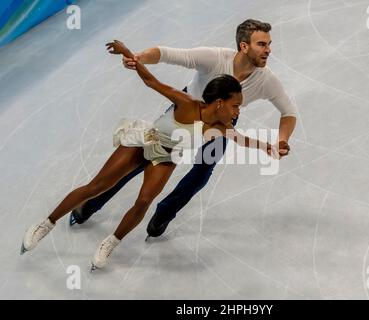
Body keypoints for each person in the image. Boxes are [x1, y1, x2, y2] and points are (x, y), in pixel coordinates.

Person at [20, 40, 277, 271]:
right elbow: (152, 81)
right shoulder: (188, 103)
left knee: (143, 201)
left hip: (167, 156)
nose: (237, 112)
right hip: (147, 139)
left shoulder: (220, 127)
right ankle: (47, 222)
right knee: (97, 186)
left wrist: (266, 146)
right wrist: (129, 54)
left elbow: (240, 139)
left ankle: (111, 241)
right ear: (220, 102)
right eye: (235, 106)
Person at [69, 19, 298, 240]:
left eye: (269, 44)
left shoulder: (266, 80)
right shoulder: (214, 58)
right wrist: (140, 58)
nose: (268, 50)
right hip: (184, 113)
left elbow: (288, 112)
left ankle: (164, 213)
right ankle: (91, 203)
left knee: (200, 174)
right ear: (244, 46)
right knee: (142, 160)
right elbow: (167, 53)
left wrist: (282, 139)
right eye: (262, 44)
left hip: (219, 126)